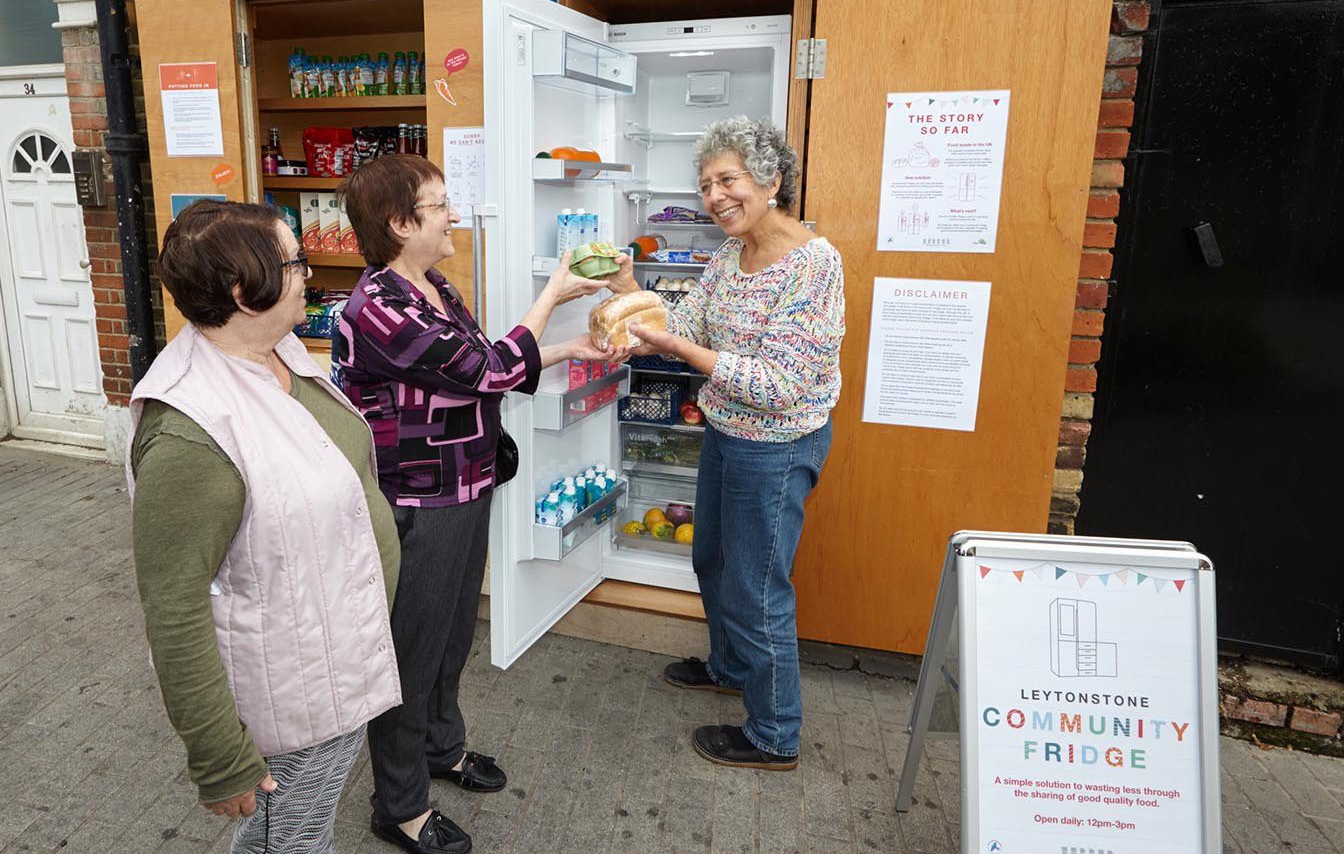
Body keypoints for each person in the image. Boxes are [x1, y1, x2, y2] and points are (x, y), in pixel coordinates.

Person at [332, 155, 624, 854]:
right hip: (417, 498)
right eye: (439, 205)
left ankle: (443, 748)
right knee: (411, 649)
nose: (453, 214)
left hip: (465, 485)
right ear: (401, 224)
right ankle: (397, 805)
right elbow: (487, 372)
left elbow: (484, 365)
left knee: (455, 629)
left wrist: (571, 347)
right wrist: (555, 289)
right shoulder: (376, 307)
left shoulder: (432, 285)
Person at [126, 200, 403, 851]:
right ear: (242, 291)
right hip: (292, 695)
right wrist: (221, 758)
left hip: (335, 663)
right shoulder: (190, 433)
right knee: (287, 843)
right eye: (295, 261)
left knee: (306, 832)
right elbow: (173, 606)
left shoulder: (276, 353)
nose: (310, 272)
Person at [609, 116, 845, 770]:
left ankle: (774, 735)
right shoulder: (726, 256)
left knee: (756, 587)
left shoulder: (813, 264)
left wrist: (683, 348)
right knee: (711, 560)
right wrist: (630, 292)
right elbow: (681, 321)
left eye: (727, 180)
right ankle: (732, 666)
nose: (714, 196)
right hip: (725, 429)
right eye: (706, 184)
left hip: (776, 445)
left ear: (771, 180)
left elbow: (779, 383)